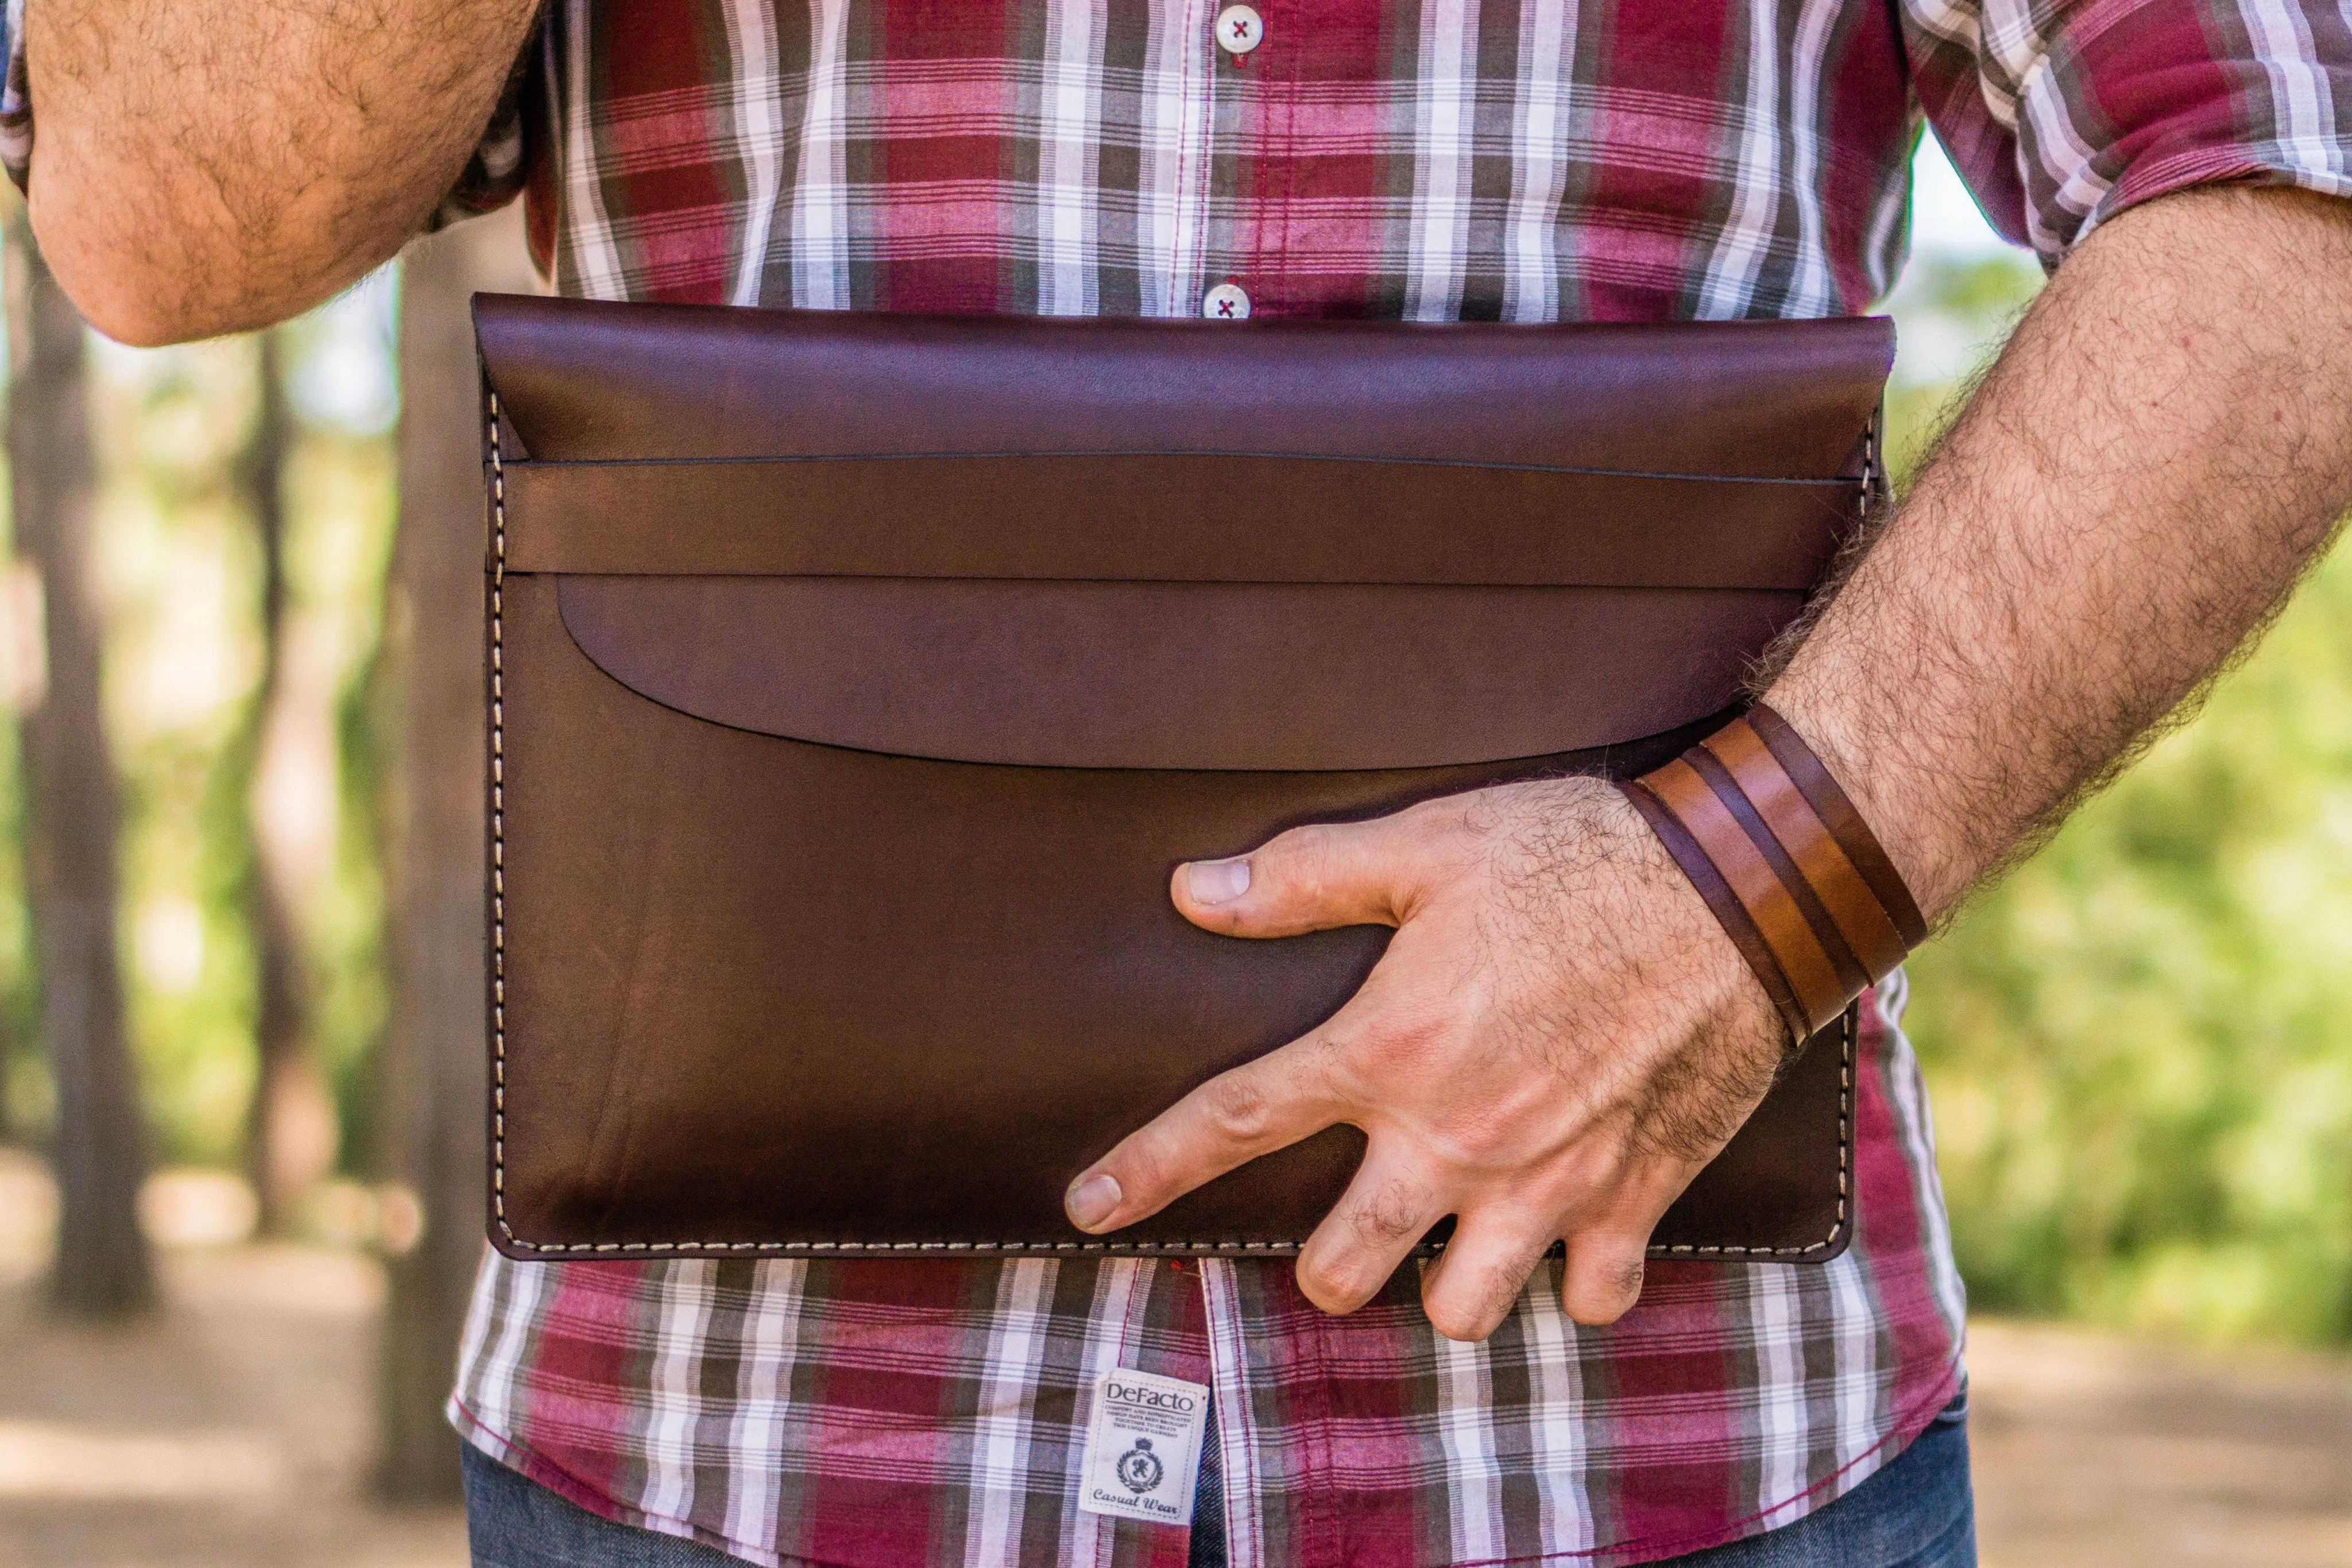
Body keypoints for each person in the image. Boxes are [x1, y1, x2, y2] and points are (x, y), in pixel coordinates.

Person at [17, 2, 2352, 1564]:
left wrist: (1740, 894)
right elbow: (157, 218)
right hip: (724, 1456)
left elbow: (2290, 173)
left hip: (1670, 1450)